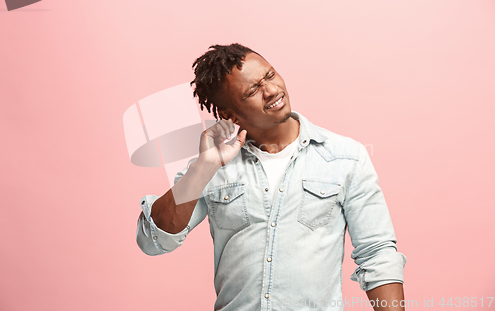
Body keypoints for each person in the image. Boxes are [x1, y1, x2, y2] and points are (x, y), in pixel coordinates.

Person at [136, 43, 407, 311]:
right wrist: (204, 167)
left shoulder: (346, 157)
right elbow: (153, 241)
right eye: (253, 90)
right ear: (231, 115)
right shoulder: (210, 167)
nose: (272, 91)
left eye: (270, 75)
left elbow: (378, 256)